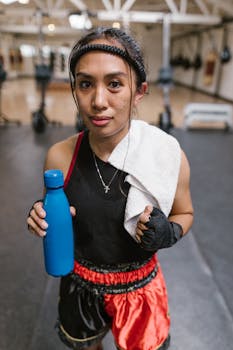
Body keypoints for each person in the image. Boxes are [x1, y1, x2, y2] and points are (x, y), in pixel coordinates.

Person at [27, 26, 194, 350]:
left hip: (139, 289)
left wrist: (170, 232)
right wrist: (39, 216)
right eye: (86, 84)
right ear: (74, 89)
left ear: (139, 91)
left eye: (115, 84)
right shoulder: (59, 156)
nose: (98, 101)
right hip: (81, 284)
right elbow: (57, 213)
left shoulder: (167, 155)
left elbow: (185, 212)